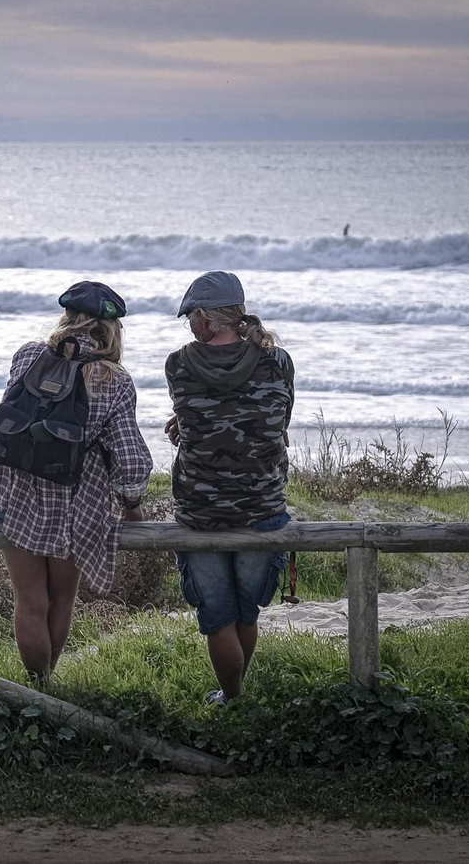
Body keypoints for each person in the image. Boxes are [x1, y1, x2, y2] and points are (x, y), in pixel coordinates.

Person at [0, 281, 153, 685]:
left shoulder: (28, 355)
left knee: (29, 601)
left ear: (67, 317)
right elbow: (128, 454)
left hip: (13, 492)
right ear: (111, 329)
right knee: (61, 600)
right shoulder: (113, 379)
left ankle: (37, 686)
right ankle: (48, 685)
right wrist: (132, 503)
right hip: (76, 502)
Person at [164, 271, 295, 705]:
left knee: (218, 617)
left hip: (200, 511)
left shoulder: (179, 363)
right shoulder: (278, 361)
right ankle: (237, 697)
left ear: (204, 319)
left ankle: (232, 697)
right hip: (263, 507)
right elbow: (276, 424)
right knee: (246, 610)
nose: (189, 327)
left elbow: (201, 412)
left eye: (190, 319)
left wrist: (187, 426)